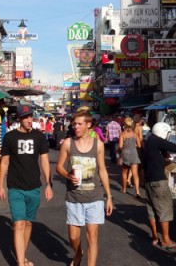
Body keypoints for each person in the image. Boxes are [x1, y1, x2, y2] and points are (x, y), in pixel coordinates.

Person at [56, 110, 113, 266]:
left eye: (79, 124)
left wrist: (109, 197)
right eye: (74, 124)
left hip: (94, 197)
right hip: (74, 197)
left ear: (88, 125)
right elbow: (59, 167)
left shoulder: (98, 145)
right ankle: (78, 253)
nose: (75, 127)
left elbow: (102, 170)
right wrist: (68, 176)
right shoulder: (68, 143)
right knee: (74, 237)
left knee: (92, 236)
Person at [0, 104, 53, 266]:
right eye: (26, 117)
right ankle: (21, 264)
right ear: (19, 119)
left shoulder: (39, 136)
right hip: (15, 186)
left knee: (28, 223)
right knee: (19, 223)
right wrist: (0, 185)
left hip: (34, 187)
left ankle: (22, 257)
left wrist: (48, 184)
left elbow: (44, 160)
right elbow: (4, 162)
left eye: (31, 116)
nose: (29, 120)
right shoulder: (10, 137)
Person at [141, 122, 176, 252]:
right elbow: (175, 146)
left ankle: (155, 237)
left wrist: (163, 159)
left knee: (152, 210)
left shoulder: (149, 141)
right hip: (158, 181)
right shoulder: (157, 140)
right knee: (164, 209)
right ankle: (166, 240)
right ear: (163, 132)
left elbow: (150, 159)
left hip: (149, 181)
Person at [118, 117, 142, 197]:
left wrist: (119, 150)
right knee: (135, 174)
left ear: (124, 124)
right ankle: (137, 192)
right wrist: (133, 146)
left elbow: (120, 146)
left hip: (125, 153)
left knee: (124, 172)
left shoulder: (122, 134)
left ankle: (124, 189)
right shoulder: (135, 134)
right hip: (134, 153)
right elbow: (139, 145)